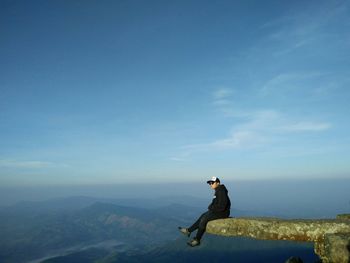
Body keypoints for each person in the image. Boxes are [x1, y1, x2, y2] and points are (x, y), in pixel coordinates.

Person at [178, 176, 231, 247]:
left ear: (218, 183)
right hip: (218, 211)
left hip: (222, 213)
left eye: (212, 183)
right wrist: (211, 207)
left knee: (204, 220)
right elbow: (215, 203)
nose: (211, 184)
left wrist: (211, 208)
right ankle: (188, 231)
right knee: (203, 215)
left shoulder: (221, 191)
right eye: (210, 183)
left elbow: (222, 206)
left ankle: (197, 240)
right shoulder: (218, 190)